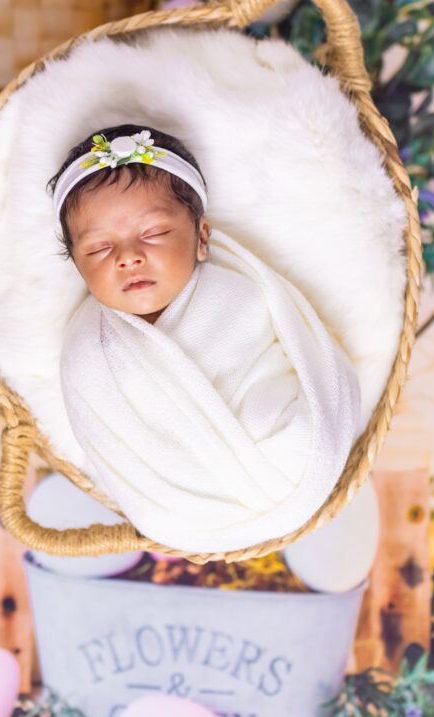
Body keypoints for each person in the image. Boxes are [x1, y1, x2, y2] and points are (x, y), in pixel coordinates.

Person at [50, 124, 361, 553]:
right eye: (99, 248)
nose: (128, 257)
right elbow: (111, 440)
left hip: (290, 459)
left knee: (293, 434)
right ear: (78, 266)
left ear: (201, 238)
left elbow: (288, 358)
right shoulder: (88, 349)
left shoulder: (239, 294)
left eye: (154, 233)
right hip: (182, 508)